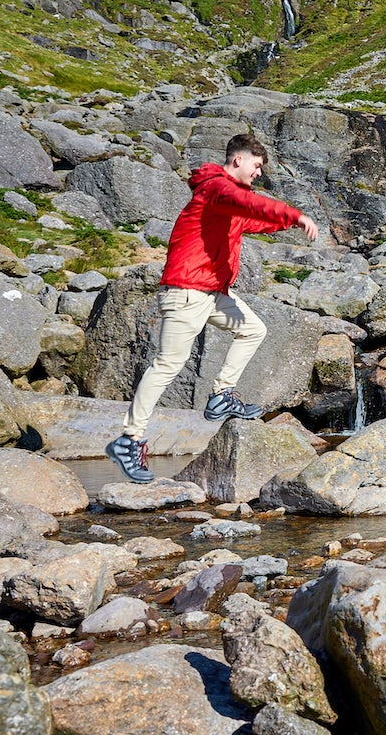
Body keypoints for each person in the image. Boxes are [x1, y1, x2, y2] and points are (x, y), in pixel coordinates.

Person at [105, 134, 322, 483]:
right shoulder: (215, 189)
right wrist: (293, 213)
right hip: (187, 290)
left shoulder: (228, 202)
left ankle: (221, 395)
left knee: (253, 329)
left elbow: (253, 219)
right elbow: (248, 203)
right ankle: (128, 440)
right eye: (256, 165)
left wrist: (288, 222)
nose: (258, 173)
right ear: (237, 160)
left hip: (209, 292)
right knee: (167, 364)